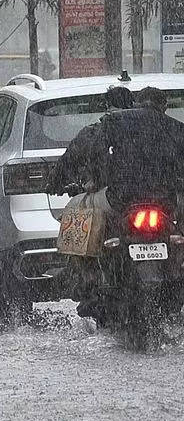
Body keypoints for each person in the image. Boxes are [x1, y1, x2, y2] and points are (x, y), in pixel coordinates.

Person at [49, 86, 184, 316]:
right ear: (164, 107)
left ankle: (85, 273)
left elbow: (92, 154)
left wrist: (73, 182)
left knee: (76, 207)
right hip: (165, 202)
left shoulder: (112, 124)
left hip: (120, 199)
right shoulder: (175, 128)